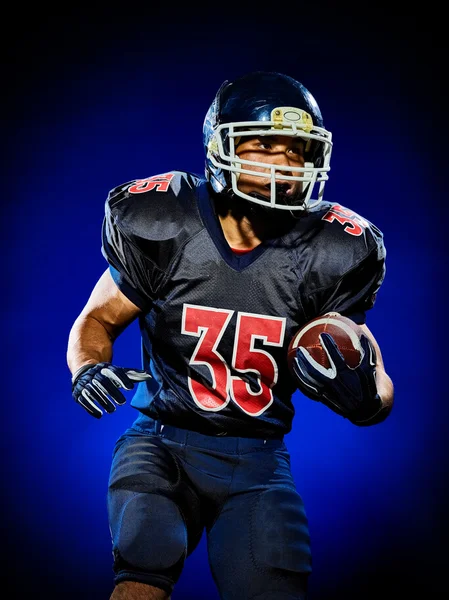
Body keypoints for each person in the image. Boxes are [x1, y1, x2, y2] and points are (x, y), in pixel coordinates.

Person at [67, 71, 394, 600]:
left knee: (272, 586)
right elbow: (97, 320)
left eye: (297, 150)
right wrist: (87, 368)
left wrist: (365, 400)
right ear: (221, 146)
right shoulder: (163, 220)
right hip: (162, 441)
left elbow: (377, 379)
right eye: (264, 144)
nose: (284, 164)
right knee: (142, 570)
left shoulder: (334, 249)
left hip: (258, 457)